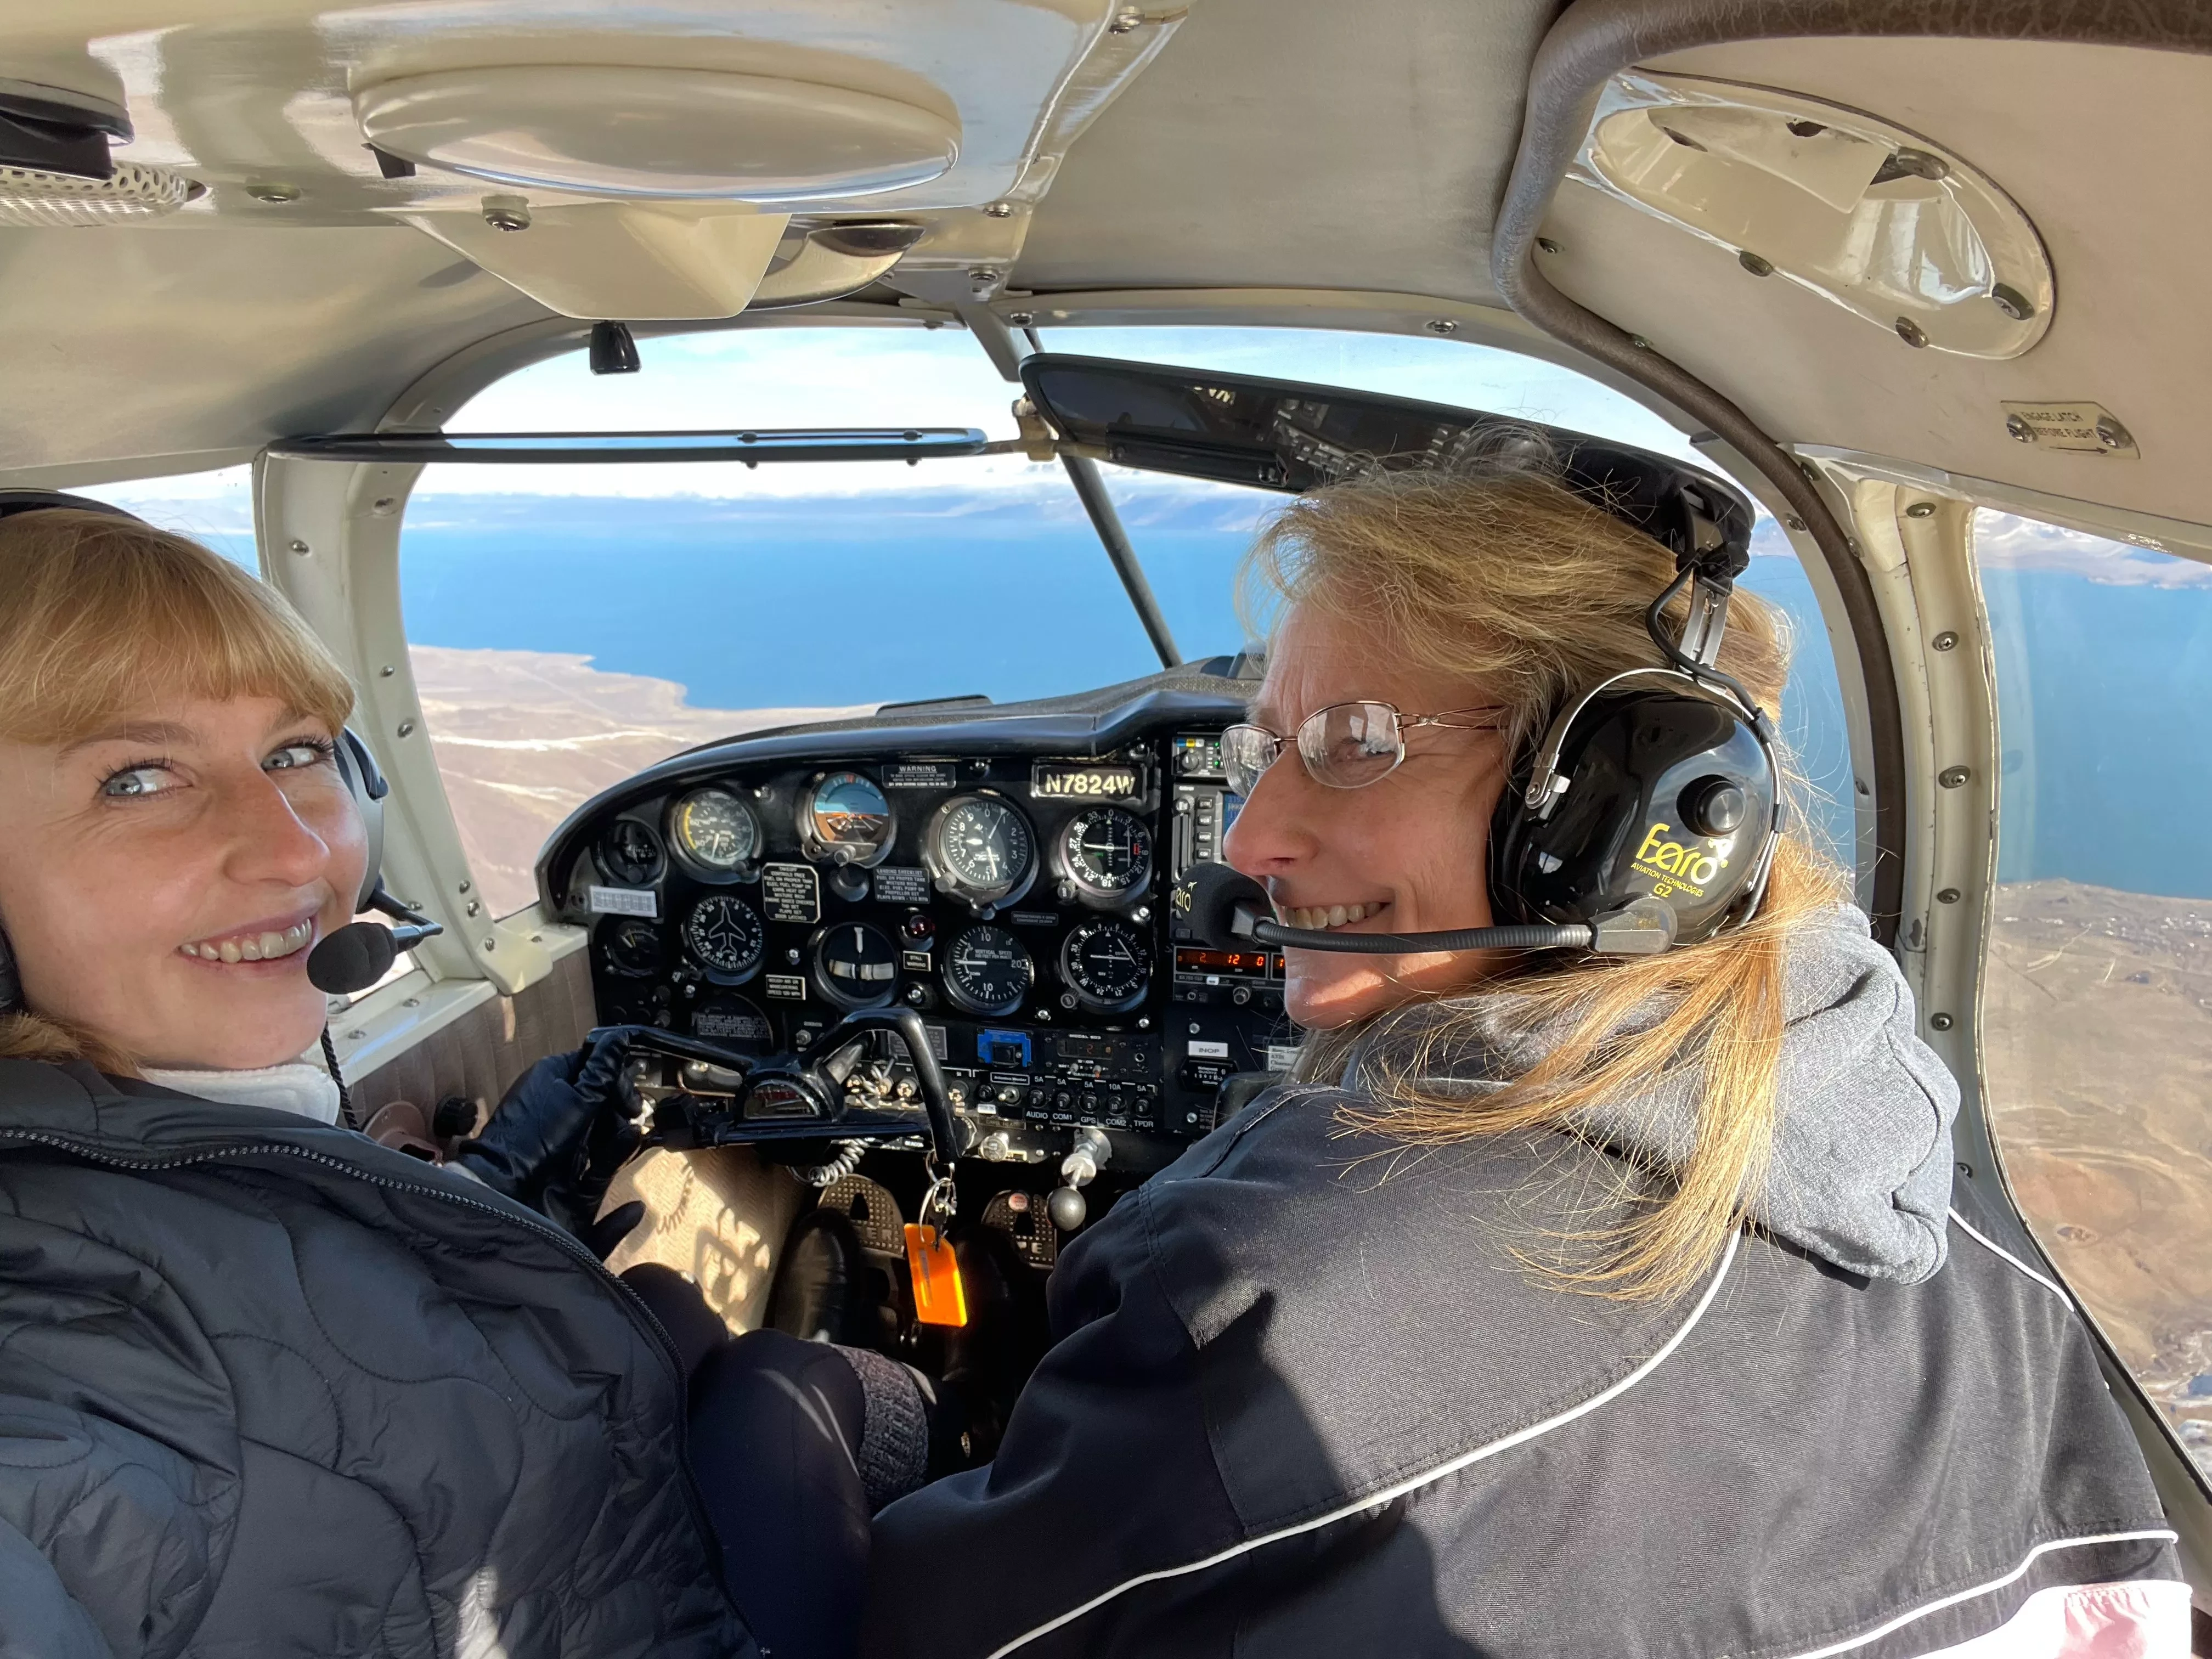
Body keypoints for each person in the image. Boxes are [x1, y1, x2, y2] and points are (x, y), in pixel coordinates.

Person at [858, 465, 2188, 1656]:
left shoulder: (1278, 1296)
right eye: (1272, 751)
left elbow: (927, 1625)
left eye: (1355, 745)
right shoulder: (1959, 1220)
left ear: (1617, 805)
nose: (1250, 840)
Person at [0, 507, 773, 1657]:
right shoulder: (64, 1344)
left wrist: (494, 1206)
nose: (299, 852)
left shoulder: (170, 1128)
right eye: (140, 777)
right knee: (807, 1397)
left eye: (295, 752)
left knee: (681, 1322)